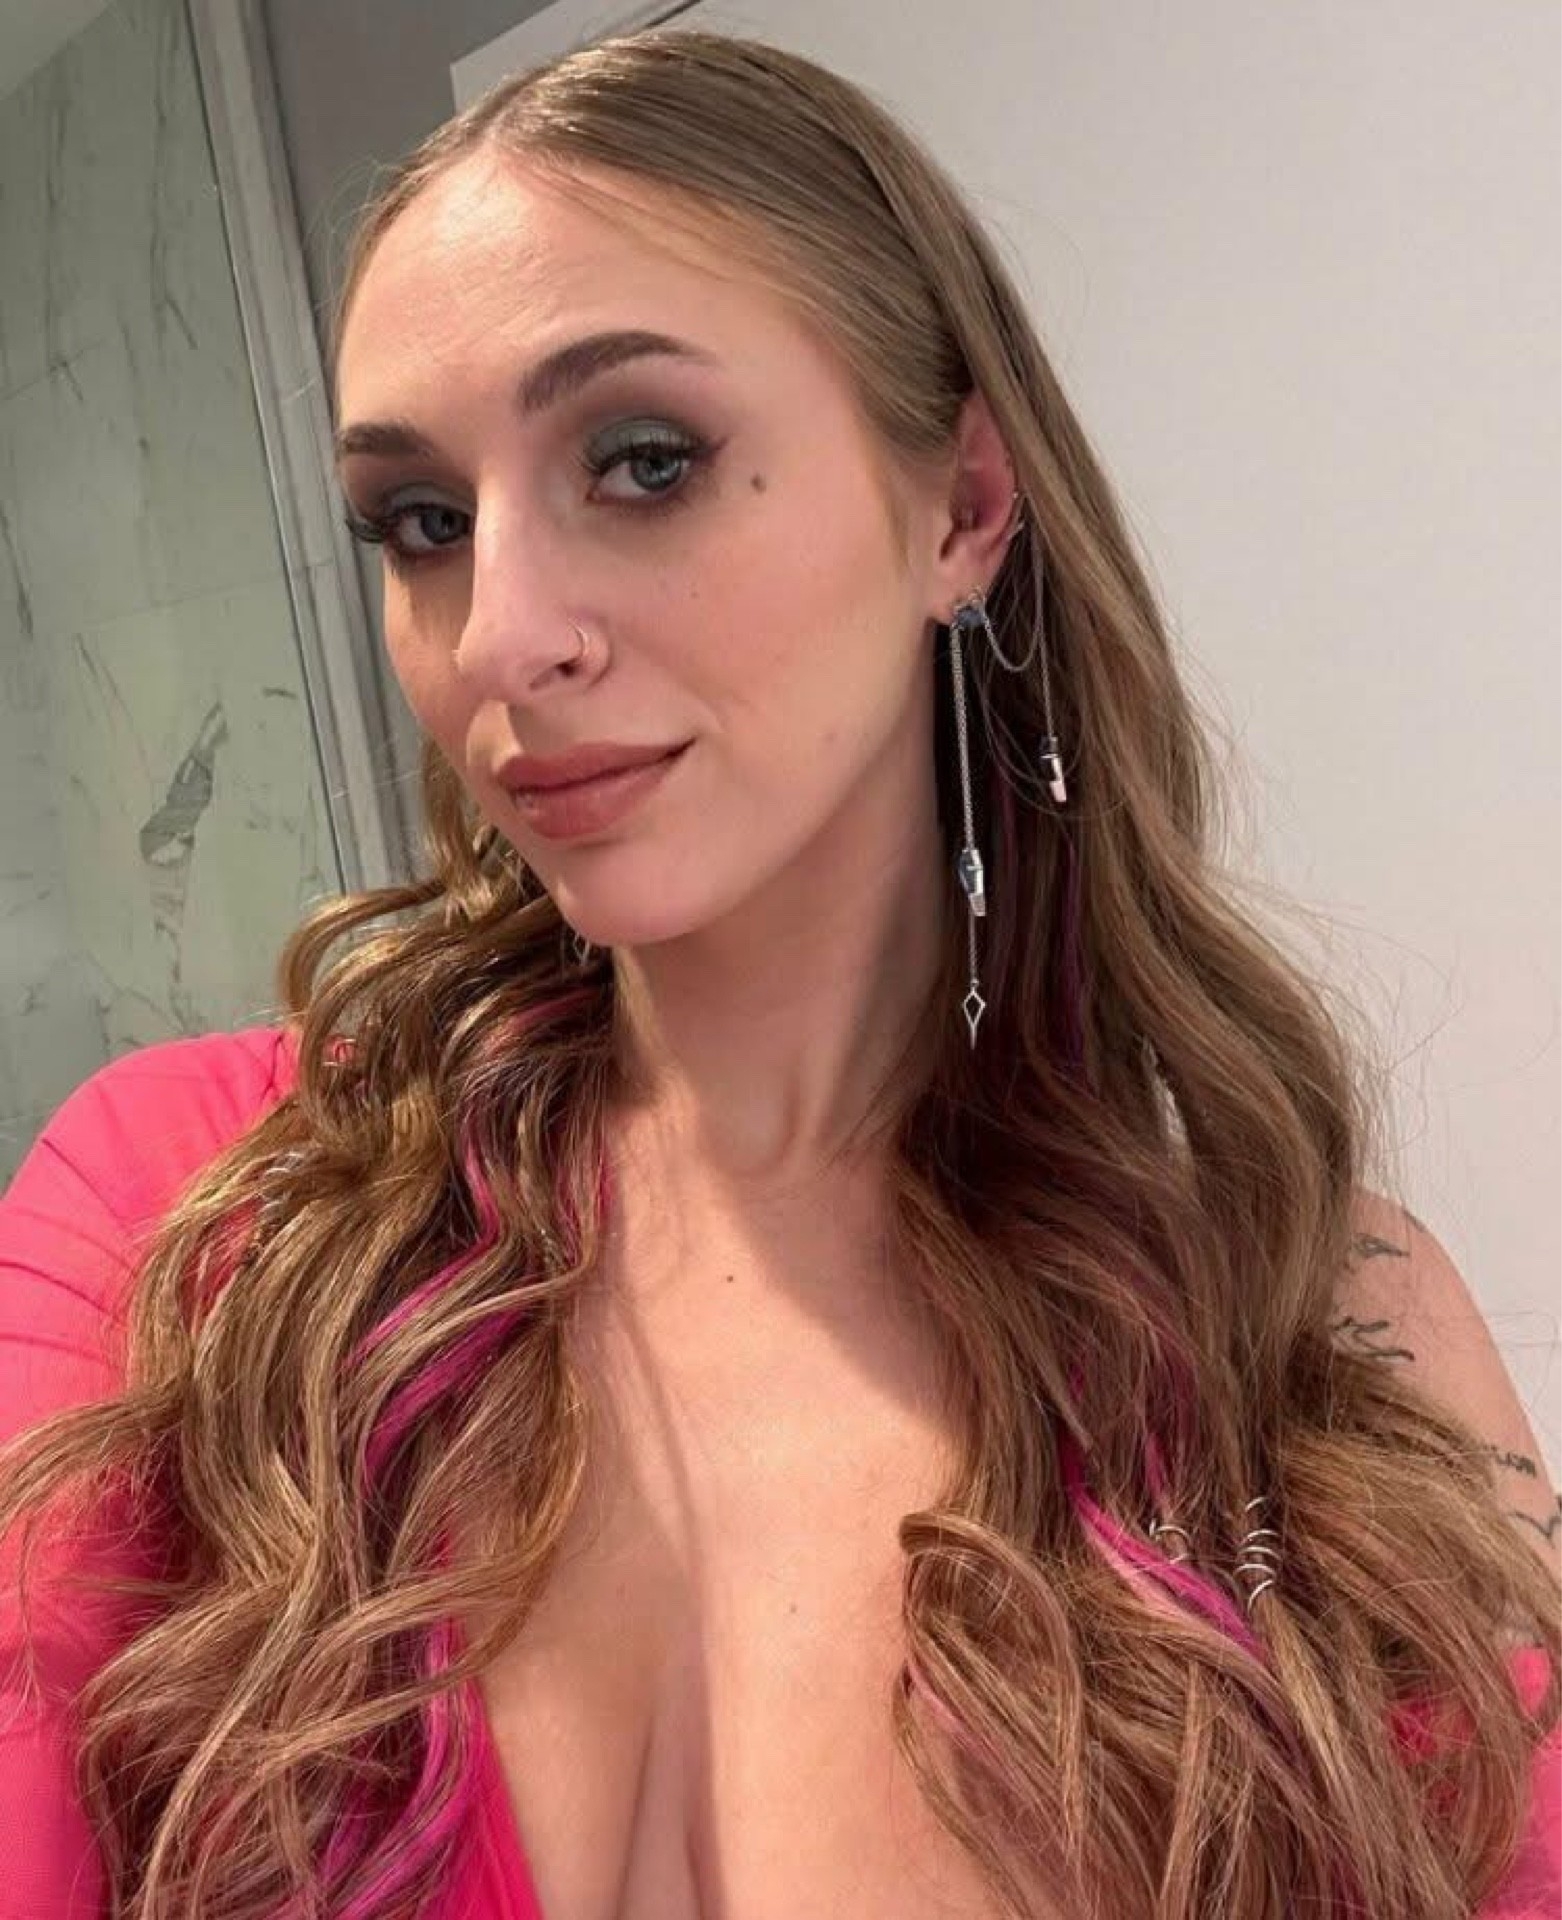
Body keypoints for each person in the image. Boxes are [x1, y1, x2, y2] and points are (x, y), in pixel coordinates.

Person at [1, 27, 1557, 1920]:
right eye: (423, 523)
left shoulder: (1304, 1327)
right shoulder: (189, 1221)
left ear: (961, 508)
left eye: (641, 462)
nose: (495, 634)